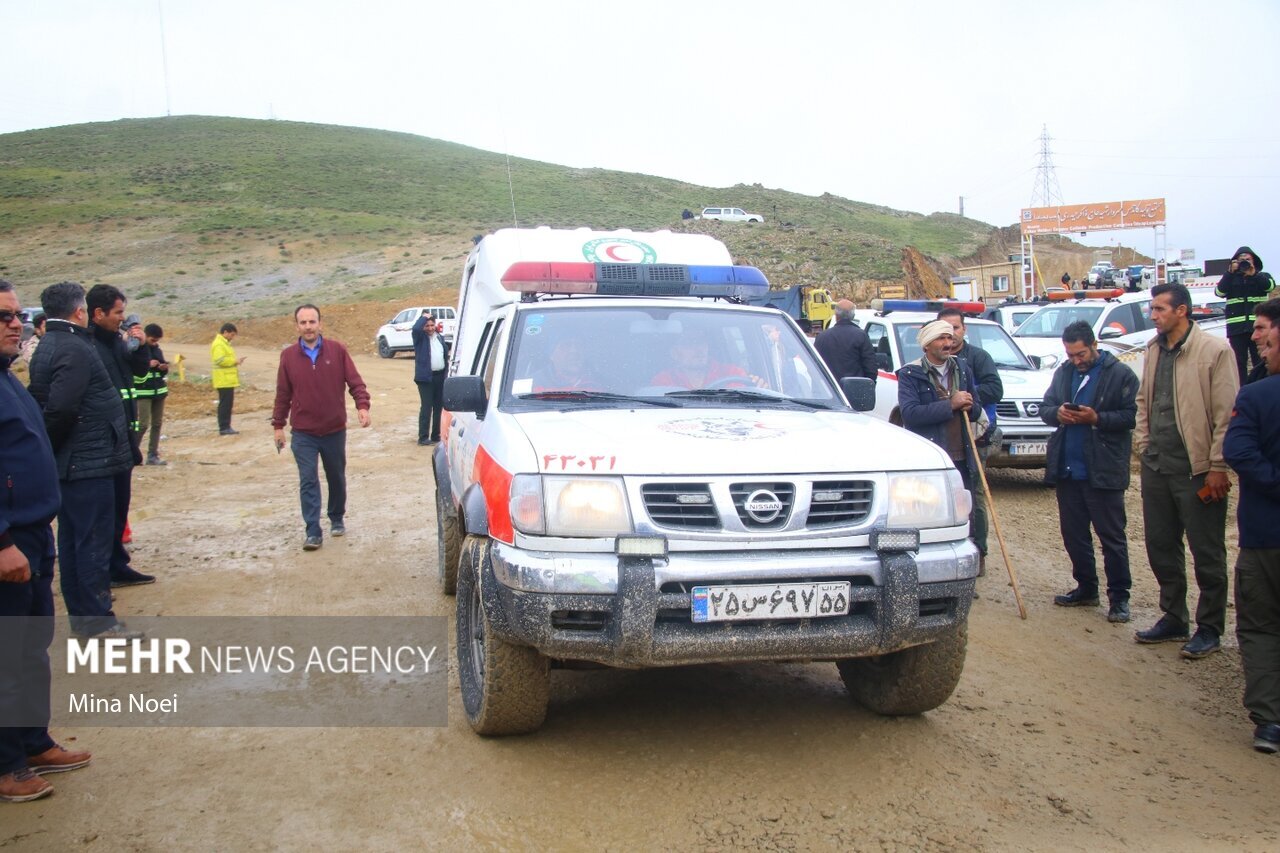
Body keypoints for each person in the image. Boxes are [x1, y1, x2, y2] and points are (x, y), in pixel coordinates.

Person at [0, 280, 93, 803]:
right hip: (8, 544)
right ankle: (6, 764)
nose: (16, 323)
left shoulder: (7, 377)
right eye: (3, 316)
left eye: (16, 315)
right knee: (7, 655)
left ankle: (33, 743)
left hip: (33, 536)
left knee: (32, 649)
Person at [25, 283, 141, 640]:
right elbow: (61, 409)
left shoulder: (51, 343)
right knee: (90, 541)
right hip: (87, 463)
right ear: (79, 312)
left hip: (79, 461)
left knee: (76, 541)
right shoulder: (73, 347)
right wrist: (52, 448)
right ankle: (96, 621)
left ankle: (85, 617)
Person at [1133, 282, 1238, 658]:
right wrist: (1144, 446)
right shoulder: (1153, 349)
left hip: (1197, 470)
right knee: (1160, 545)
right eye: (1153, 308)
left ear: (1182, 311)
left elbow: (1226, 414)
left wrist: (1217, 465)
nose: (1153, 315)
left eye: (1160, 309)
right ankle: (1174, 617)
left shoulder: (1213, 351)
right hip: (1158, 466)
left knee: (1206, 551)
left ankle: (1209, 627)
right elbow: (1144, 400)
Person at [1040, 320, 1140, 622]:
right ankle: (1086, 588)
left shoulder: (1120, 374)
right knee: (1074, 534)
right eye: (1070, 355)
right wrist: (1056, 413)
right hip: (1069, 469)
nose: (1076, 360)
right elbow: (1046, 407)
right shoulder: (1065, 373)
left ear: (1094, 345)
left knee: (1111, 537)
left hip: (1103, 469)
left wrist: (1096, 418)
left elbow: (1131, 417)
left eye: (1081, 354)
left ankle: (1119, 598)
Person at [1223, 298, 1280, 751]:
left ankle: (1269, 721)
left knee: (1261, 627)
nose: (1257, 340)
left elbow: (1239, 452)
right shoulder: (1258, 390)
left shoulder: (1257, 395)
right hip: (1265, 534)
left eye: (1264, 331)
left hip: (1266, 536)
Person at [272, 305, 371, 551]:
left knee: (336, 476)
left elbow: (355, 382)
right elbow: (283, 394)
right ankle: (313, 531)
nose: (308, 326)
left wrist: (363, 406)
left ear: (320, 324)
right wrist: (278, 425)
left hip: (334, 430)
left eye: (312, 322)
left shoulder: (337, 351)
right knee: (308, 479)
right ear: (297, 326)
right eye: (303, 322)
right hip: (303, 432)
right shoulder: (288, 356)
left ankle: (336, 517)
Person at [896, 319, 984, 559]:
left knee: (966, 511)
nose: (948, 343)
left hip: (961, 455)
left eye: (949, 338)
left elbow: (976, 411)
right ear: (926, 345)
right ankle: (925, 560)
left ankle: (972, 560)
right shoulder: (910, 374)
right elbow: (910, 415)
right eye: (941, 339)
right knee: (926, 511)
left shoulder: (962, 369)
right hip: (929, 458)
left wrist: (970, 405)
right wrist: (950, 404)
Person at [85, 286, 153, 589]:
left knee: (119, 508)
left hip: (123, 439)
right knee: (101, 516)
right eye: (118, 313)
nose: (122, 319)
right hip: (102, 444)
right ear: (98, 314)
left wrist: (140, 345)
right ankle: (100, 574)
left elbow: (138, 371)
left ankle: (116, 565)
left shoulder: (115, 342)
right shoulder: (87, 346)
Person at [936, 307, 1001, 569]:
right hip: (942, 439)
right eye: (945, 330)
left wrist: (967, 396)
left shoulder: (977, 357)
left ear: (965, 329)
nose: (950, 336)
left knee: (973, 495)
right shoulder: (932, 358)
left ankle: (979, 552)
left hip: (973, 435)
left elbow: (996, 388)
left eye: (956, 328)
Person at [1215, 246, 1275, 384]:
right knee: (1238, 363)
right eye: (1241, 260)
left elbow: (1269, 287)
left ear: (1254, 261)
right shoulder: (1230, 278)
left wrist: (1254, 274)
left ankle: (1261, 387)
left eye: (1248, 260)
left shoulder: (1262, 276)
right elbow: (1219, 292)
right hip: (1236, 329)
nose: (1244, 262)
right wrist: (1229, 273)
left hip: (1257, 328)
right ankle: (1241, 391)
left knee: (1260, 360)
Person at [650, 329, 749, 389]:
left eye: (701, 342)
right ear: (674, 353)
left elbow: (747, 399)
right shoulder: (663, 380)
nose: (698, 349)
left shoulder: (732, 373)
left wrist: (761, 386)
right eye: (689, 343)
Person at [814, 300, 877, 384]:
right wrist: (867, 388)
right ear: (853, 316)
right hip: (855, 391)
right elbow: (870, 368)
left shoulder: (821, 337)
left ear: (836, 315)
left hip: (828, 390)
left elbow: (813, 366)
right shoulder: (861, 336)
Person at [134, 323, 169, 465]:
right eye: (153, 340)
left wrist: (163, 367)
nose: (155, 343)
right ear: (146, 336)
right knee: (142, 424)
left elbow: (162, 371)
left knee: (157, 423)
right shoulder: (137, 350)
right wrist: (148, 364)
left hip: (159, 392)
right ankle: (132, 454)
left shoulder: (157, 350)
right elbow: (135, 370)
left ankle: (152, 455)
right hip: (143, 392)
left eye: (157, 341)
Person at [411, 313, 449, 445]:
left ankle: (436, 435)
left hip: (440, 376)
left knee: (439, 407)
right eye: (427, 325)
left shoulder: (439, 338)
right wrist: (423, 317)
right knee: (427, 407)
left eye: (432, 325)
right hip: (425, 378)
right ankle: (423, 437)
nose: (430, 328)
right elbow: (415, 329)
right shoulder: (420, 338)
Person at [211, 322, 245, 436]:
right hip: (223, 380)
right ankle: (224, 427)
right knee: (225, 404)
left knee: (227, 403)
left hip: (227, 379)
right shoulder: (219, 344)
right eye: (232, 335)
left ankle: (226, 426)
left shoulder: (224, 344)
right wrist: (235, 361)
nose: (232, 337)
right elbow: (219, 360)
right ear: (225, 332)